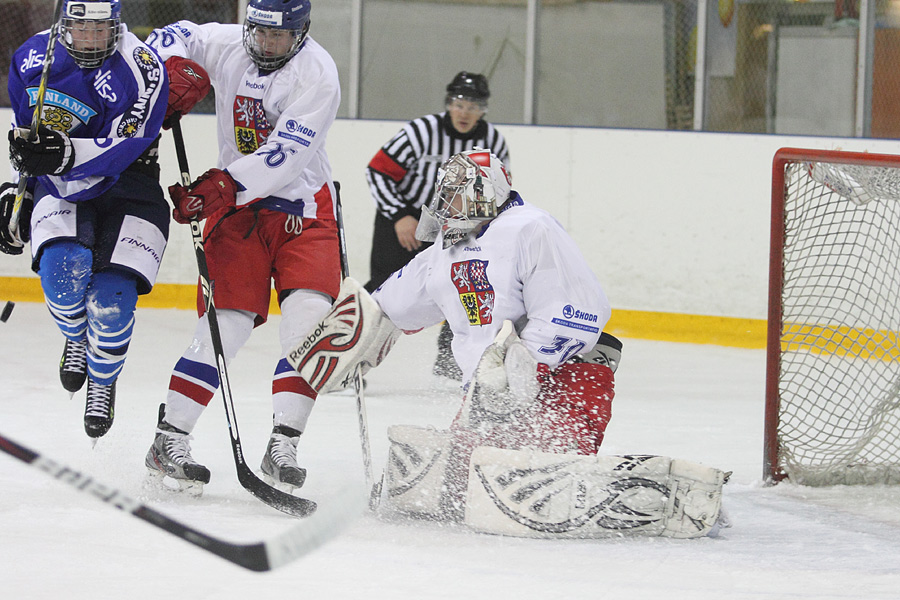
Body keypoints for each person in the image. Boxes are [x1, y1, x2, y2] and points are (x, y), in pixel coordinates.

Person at [292, 149, 728, 538]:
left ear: (487, 194)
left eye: (458, 193)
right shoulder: (445, 249)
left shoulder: (530, 229)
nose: (447, 203)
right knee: (459, 493)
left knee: (542, 493)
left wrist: (519, 369)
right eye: (445, 191)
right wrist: (354, 333)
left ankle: (666, 494)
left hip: (567, 382)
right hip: (485, 394)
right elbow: (392, 306)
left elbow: (578, 311)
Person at [141, 0, 342, 494]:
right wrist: (160, 78)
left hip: (302, 210)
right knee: (224, 324)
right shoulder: (228, 42)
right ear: (249, 25)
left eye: (280, 37)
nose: (268, 45)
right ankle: (169, 438)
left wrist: (223, 184)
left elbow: (288, 153)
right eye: (261, 34)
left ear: (301, 33)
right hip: (238, 216)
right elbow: (176, 34)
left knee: (309, 327)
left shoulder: (319, 73)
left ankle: (283, 445)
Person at [0, 0, 169, 439]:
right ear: (65, 24)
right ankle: (77, 339)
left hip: (130, 183)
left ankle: (103, 379)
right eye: (81, 27)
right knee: (60, 273)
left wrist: (67, 152)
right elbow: (28, 139)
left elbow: (129, 143)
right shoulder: (33, 58)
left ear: (116, 26)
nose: (91, 38)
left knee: (112, 301)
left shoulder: (142, 67)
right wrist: (20, 188)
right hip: (60, 183)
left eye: (101, 29)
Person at [364, 72, 510, 382]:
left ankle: (452, 362)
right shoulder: (421, 132)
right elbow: (378, 171)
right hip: (403, 223)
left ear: (484, 109)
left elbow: (499, 190)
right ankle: (349, 360)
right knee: (382, 292)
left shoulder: (493, 141)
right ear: (449, 103)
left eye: (474, 105)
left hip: (457, 229)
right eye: (459, 103)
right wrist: (400, 215)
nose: (465, 112)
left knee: (464, 286)